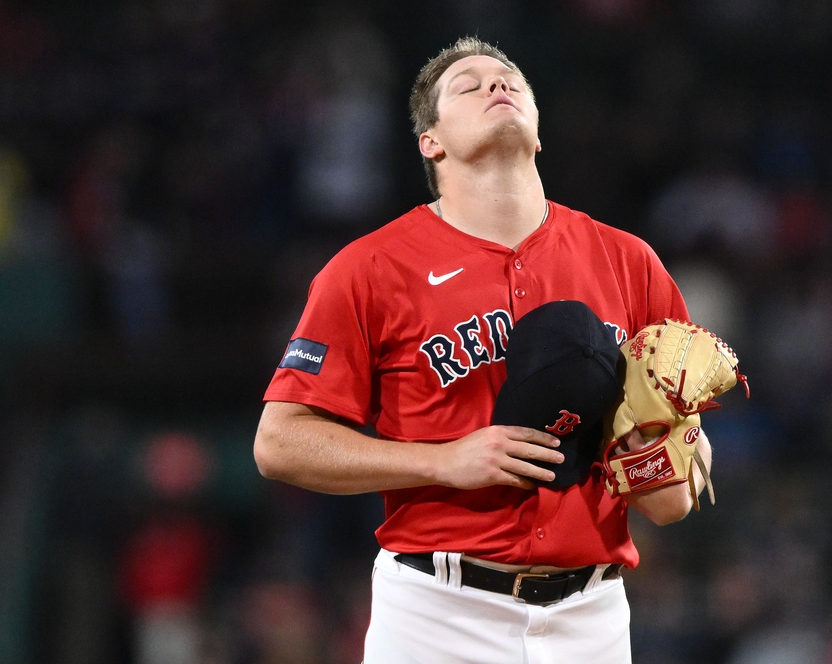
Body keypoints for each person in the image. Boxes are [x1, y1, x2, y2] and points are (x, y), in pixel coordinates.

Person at [253, 37, 712, 663]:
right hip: (438, 612)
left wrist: (653, 456)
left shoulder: (628, 261)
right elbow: (278, 443)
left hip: (593, 616)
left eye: (510, 81)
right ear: (430, 142)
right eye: (469, 86)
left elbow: (671, 502)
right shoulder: (370, 268)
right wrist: (440, 462)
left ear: (538, 130)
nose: (496, 86)